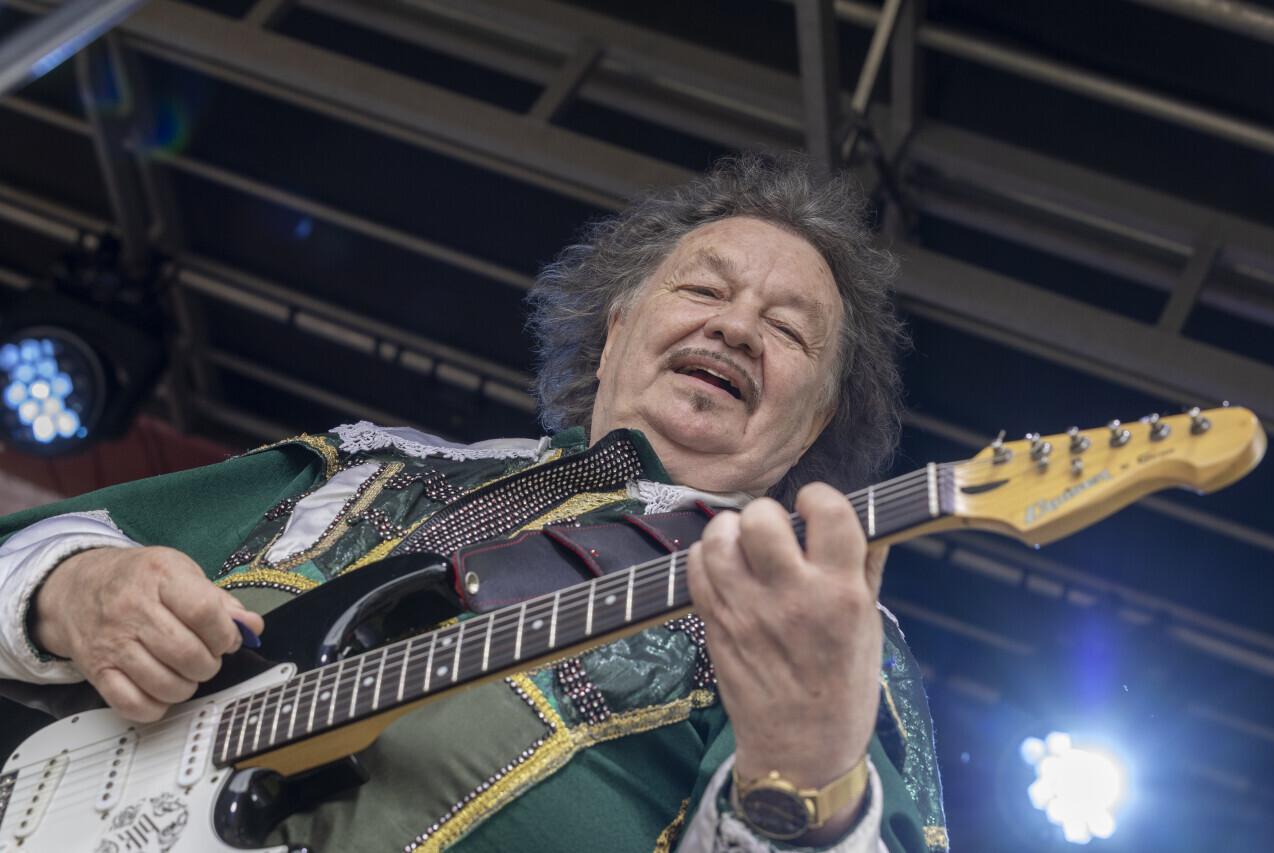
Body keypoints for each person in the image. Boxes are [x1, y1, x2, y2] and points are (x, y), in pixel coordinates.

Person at [0, 152, 946, 853]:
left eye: (786, 331)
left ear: (814, 423)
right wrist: (74, 591)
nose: (735, 326)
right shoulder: (366, 465)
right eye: (704, 288)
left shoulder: (814, 619)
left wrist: (806, 775)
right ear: (617, 329)